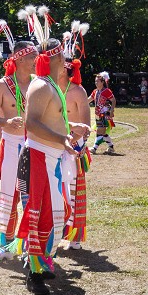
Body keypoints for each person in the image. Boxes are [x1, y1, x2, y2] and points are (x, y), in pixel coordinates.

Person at [17, 6, 90, 295]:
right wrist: (62, 140)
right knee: (39, 214)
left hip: (50, 158)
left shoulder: (51, 86)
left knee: (55, 213)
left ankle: (42, 262)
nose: (67, 58)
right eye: (63, 54)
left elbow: (49, 118)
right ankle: (32, 271)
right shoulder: (41, 86)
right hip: (37, 157)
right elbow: (31, 123)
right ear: (56, 57)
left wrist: (69, 127)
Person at [0, 39, 37, 248]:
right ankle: (4, 238)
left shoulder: (38, 83)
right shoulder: (3, 85)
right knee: (8, 190)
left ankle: (29, 238)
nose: (36, 61)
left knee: (32, 190)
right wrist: (6, 121)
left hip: (34, 143)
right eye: (32, 57)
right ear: (21, 58)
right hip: (11, 142)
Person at [61, 38, 91, 250]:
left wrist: (70, 139)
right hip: (53, 144)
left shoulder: (78, 91)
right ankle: (55, 230)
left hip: (73, 146)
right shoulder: (48, 88)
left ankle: (75, 236)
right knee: (56, 190)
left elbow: (85, 125)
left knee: (74, 190)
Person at [88, 71, 116, 154]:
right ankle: (111, 147)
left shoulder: (107, 91)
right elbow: (88, 100)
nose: (96, 83)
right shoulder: (95, 91)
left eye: (97, 81)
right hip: (98, 114)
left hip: (105, 114)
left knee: (100, 131)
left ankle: (94, 148)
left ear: (103, 82)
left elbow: (113, 100)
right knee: (102, 132)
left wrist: (111, 111)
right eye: (95, 81)